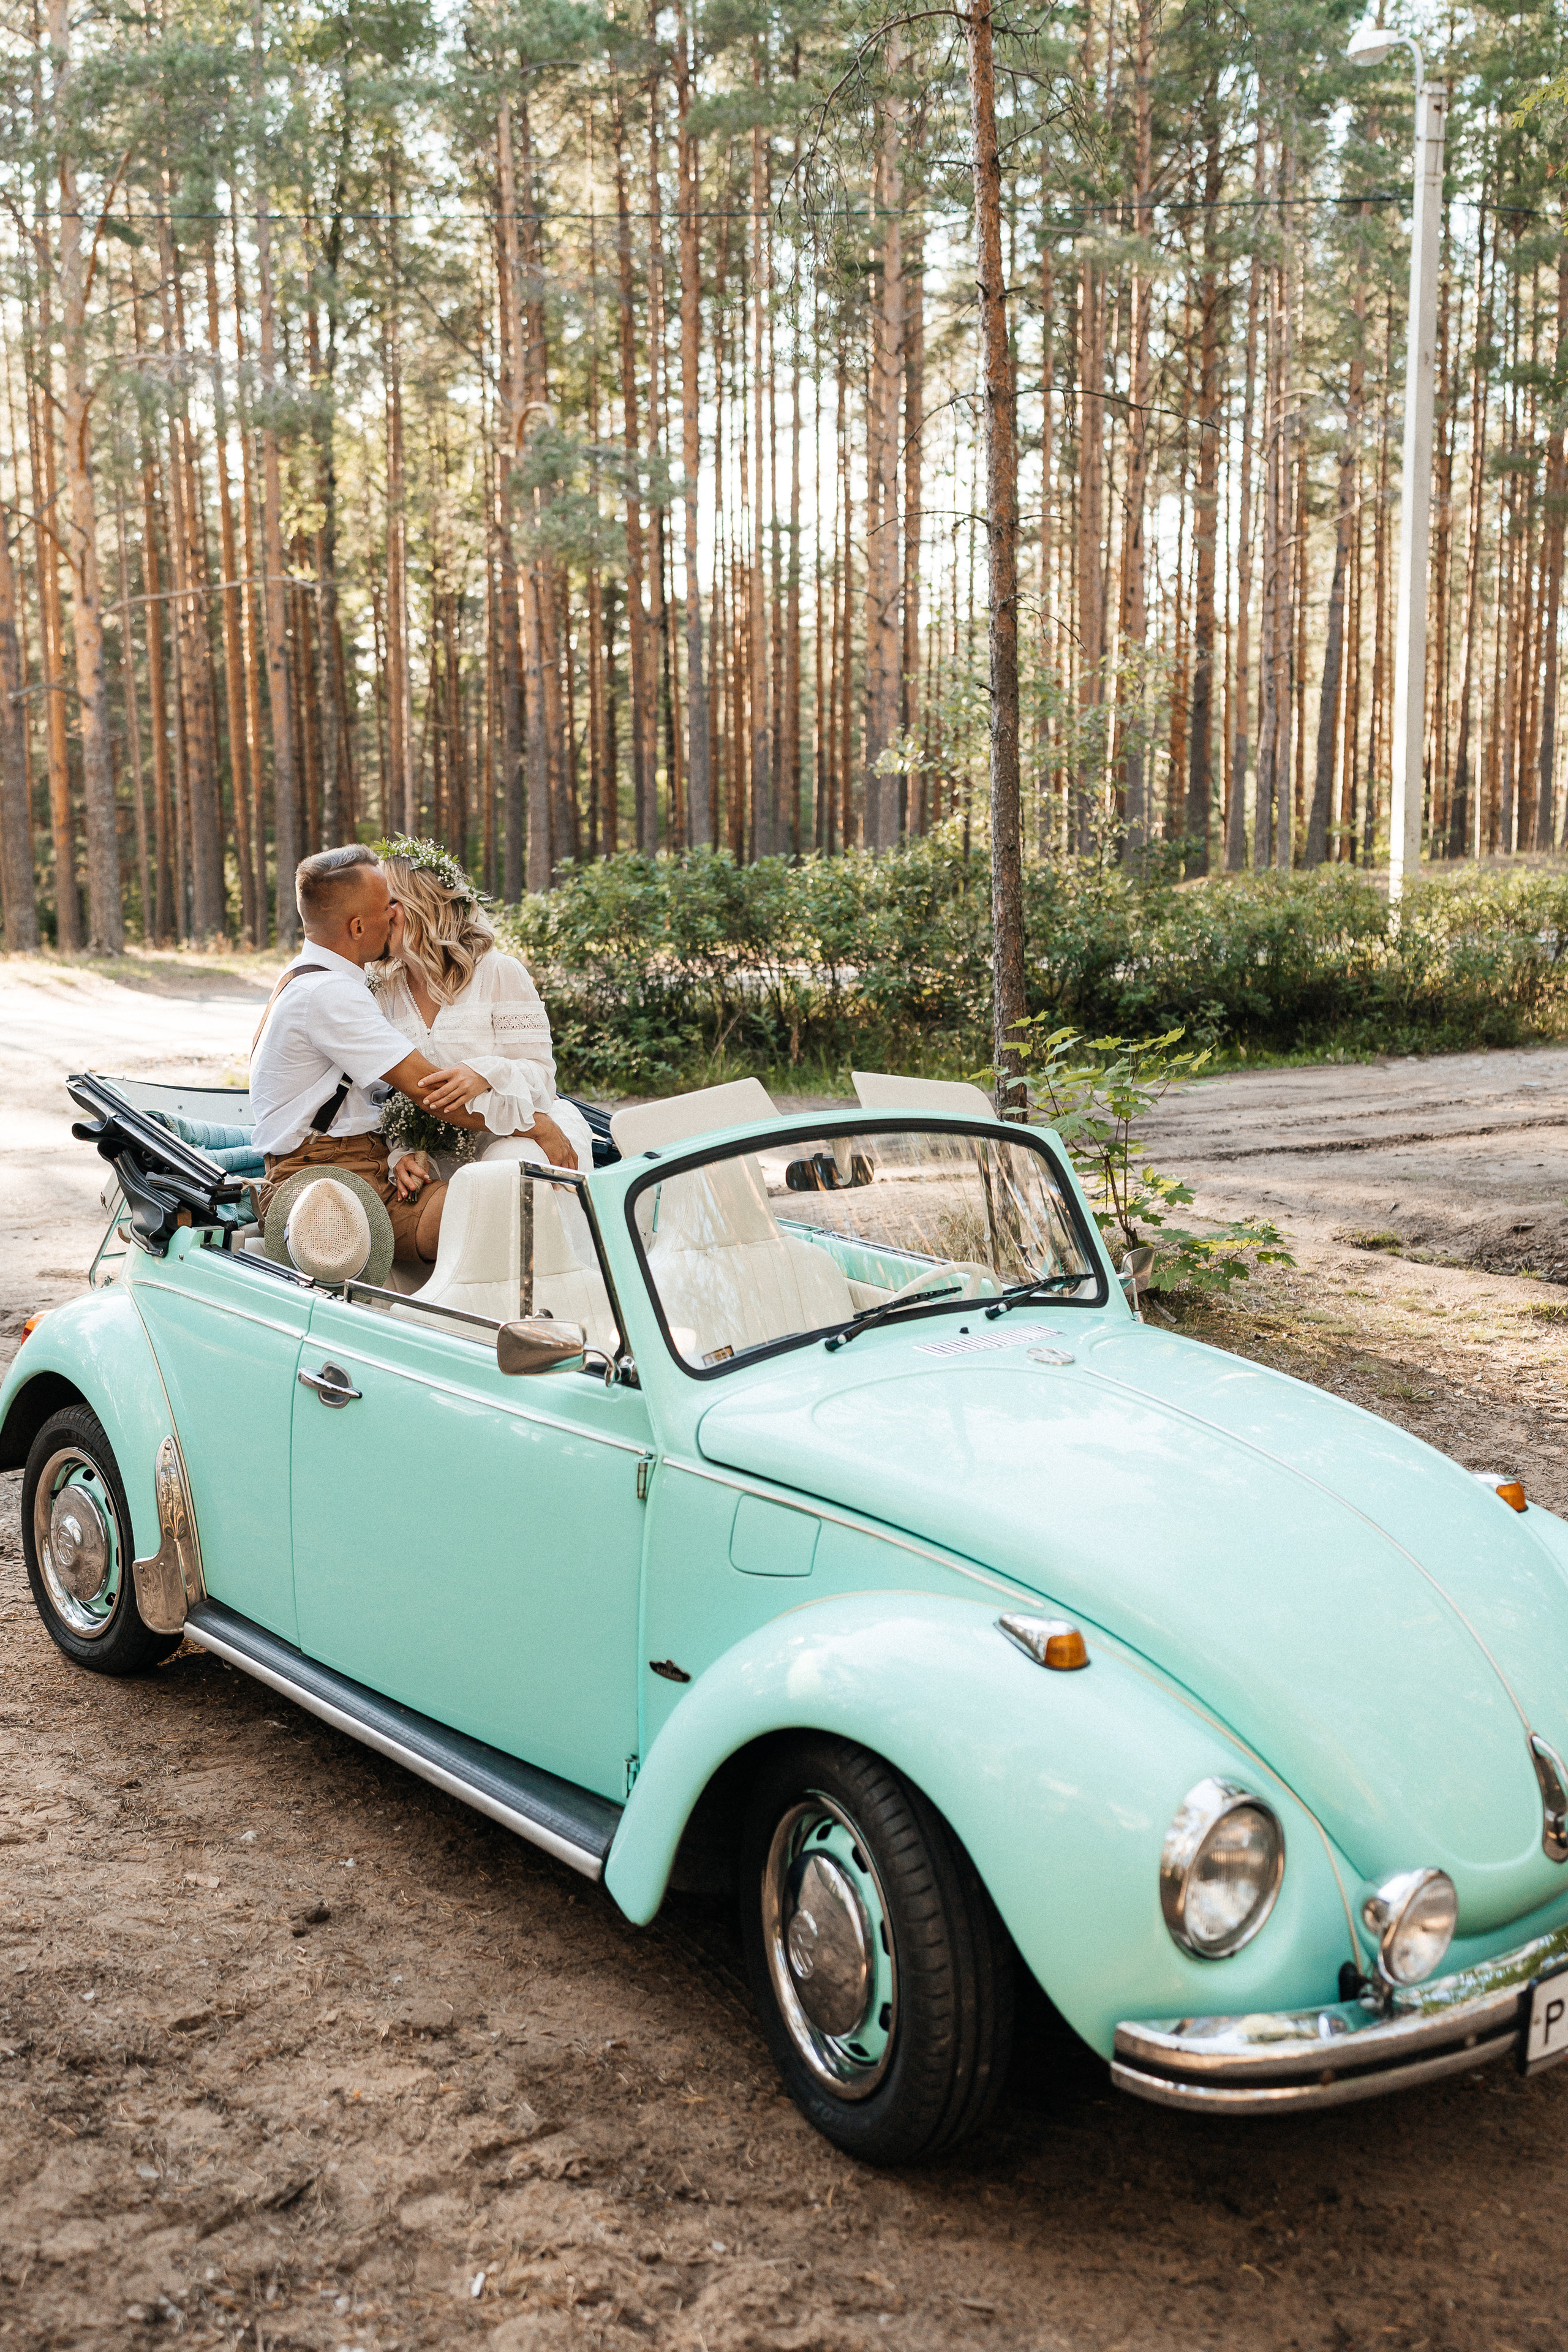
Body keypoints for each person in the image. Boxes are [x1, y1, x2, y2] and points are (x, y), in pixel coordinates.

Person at [249, 845, 489, 1265]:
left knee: (477, 1200)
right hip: (326, 1184)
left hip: (358, 1164)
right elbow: (427, 1088)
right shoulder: (330, 994)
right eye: (387, 906)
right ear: (358, 927)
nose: (395, 914)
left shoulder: (302, 976)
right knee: (485, 1210)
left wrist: (396, 1154)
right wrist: (535, 1128)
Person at [371, 837, 590, 1182]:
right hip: (437, 1158)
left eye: (386, 902)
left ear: (421, 905)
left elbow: (541, 1076)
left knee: (504, 1175)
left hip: (517, 1137)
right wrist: (401, 1152)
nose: (375, 914)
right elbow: (383, 1095)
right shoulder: (382, 989)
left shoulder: (499, 972)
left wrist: (484, 1072)